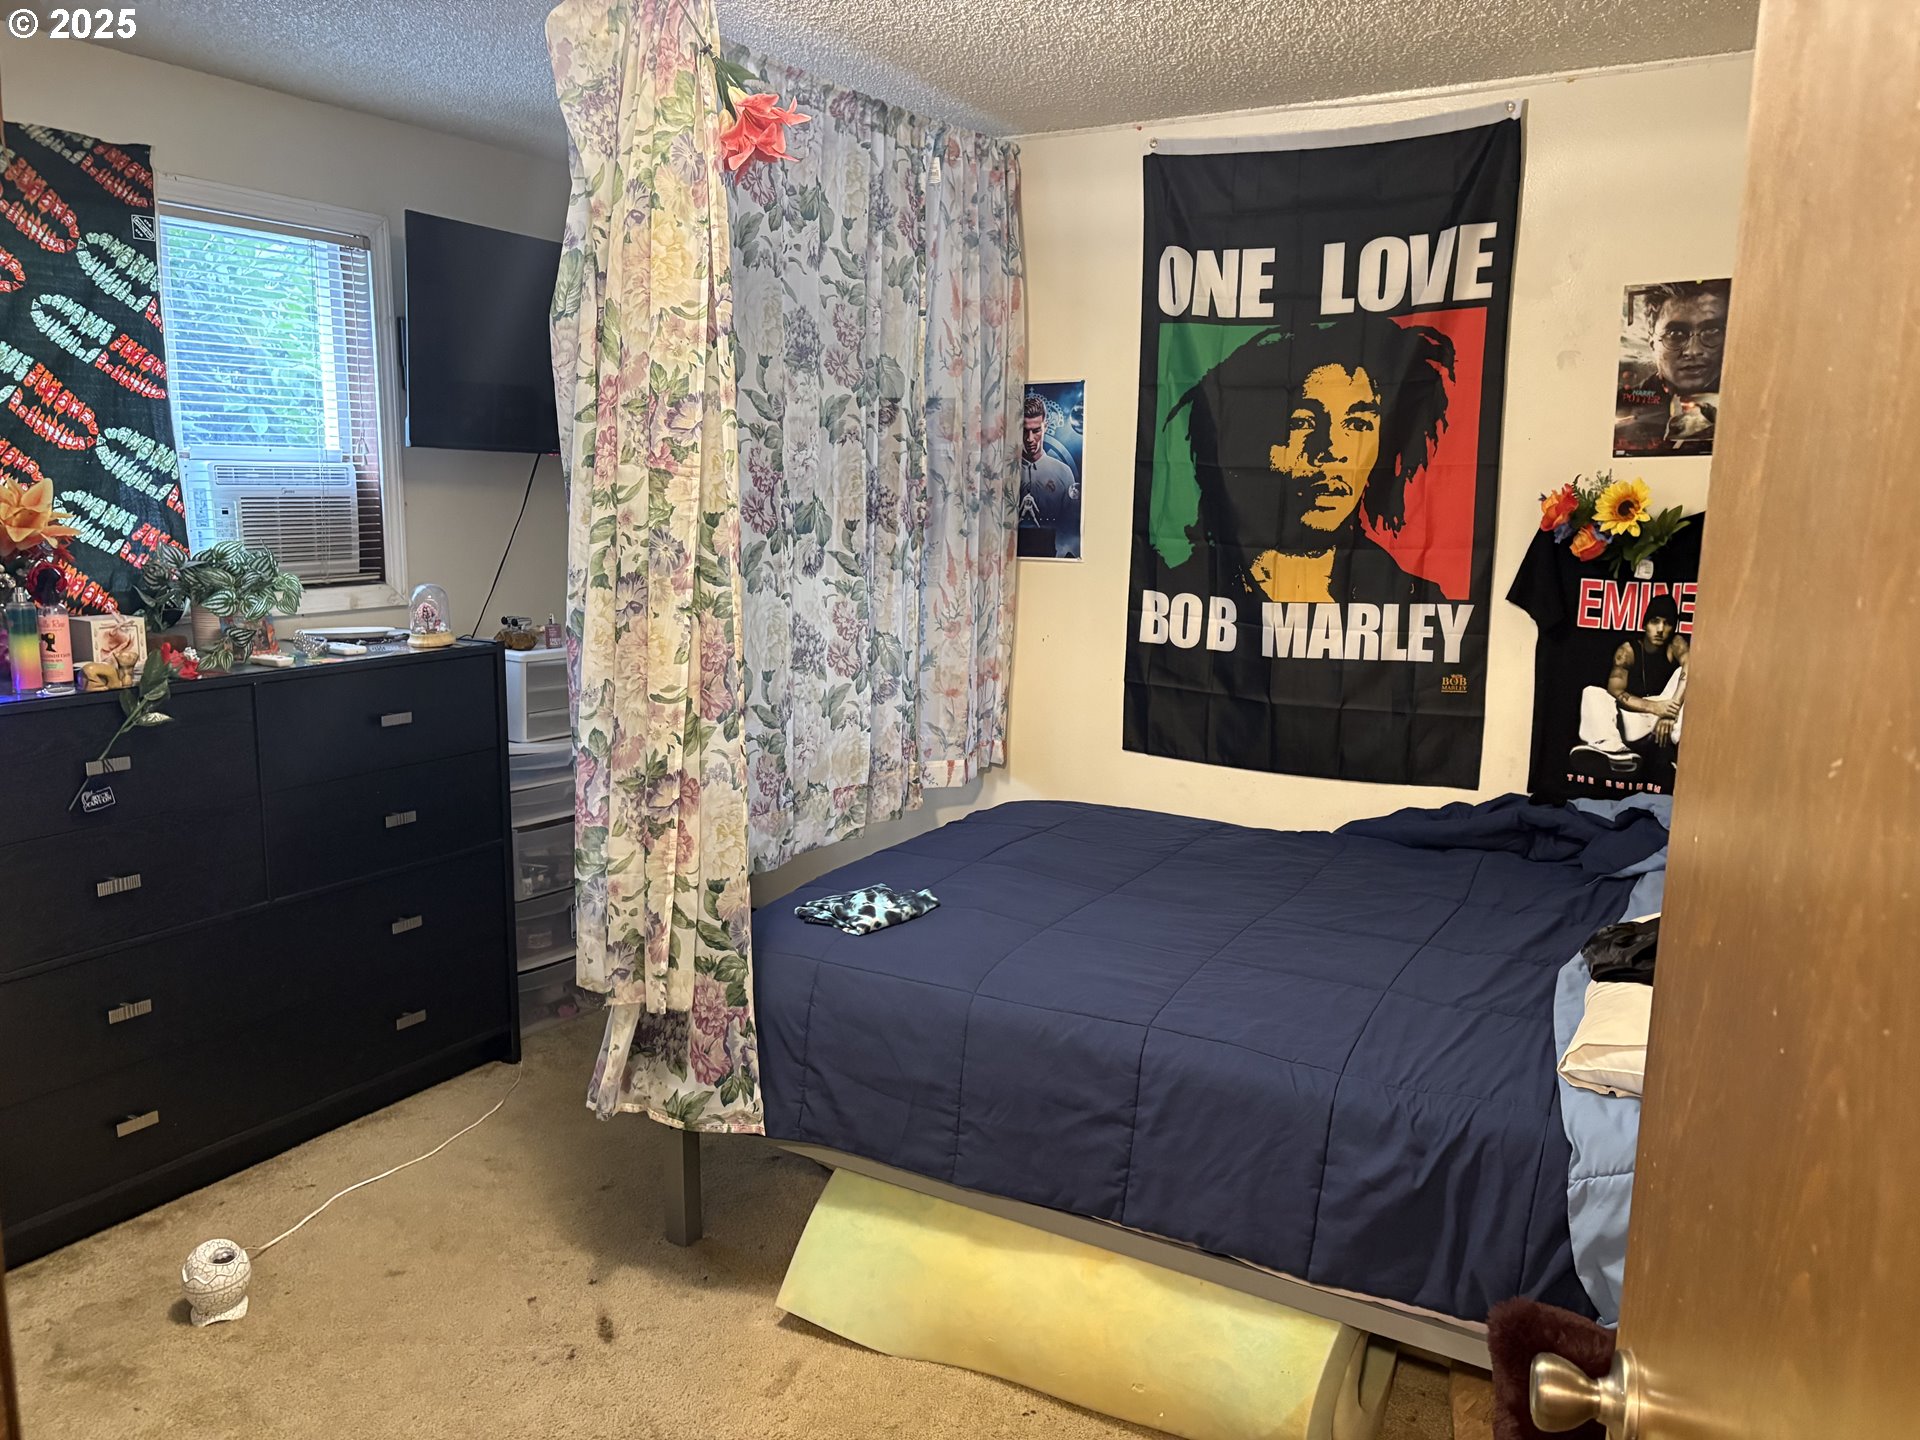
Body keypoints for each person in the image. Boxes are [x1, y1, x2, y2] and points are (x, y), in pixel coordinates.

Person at [1166, 314, 1456, 604]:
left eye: (1358, 424)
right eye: (1302, 423)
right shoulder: (1182, 596)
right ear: (1247, 441)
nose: (1333, 451)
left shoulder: (1414, 600)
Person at [1570, 594, 1690, 776]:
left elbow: (1690, 669)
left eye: (1667, 623)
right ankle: (1612, 749)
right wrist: (1656, 708)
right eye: (1655, 621)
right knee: (1592, 692)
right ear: (1644, 624)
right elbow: (1615, 690)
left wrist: (1668, 714)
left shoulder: (1676, 644)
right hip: (1634, 720)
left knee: (1690, 673)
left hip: (1670, 716)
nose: (1660, 629)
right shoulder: (1627, 651)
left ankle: (1682, 752)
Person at [1614, 280, 1730, 456]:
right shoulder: (1625, 410)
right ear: (1652, 343)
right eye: (1676, 334)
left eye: (1712, 332)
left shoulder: (1750, 407)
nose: (1693, 351)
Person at [1018, 393, 1079, 549]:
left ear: (1046, 425)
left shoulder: (1063, 473)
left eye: (1036, 431)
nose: (1030, 439)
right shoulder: (1004, 472)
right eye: (1025, 431)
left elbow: (1071, 526)